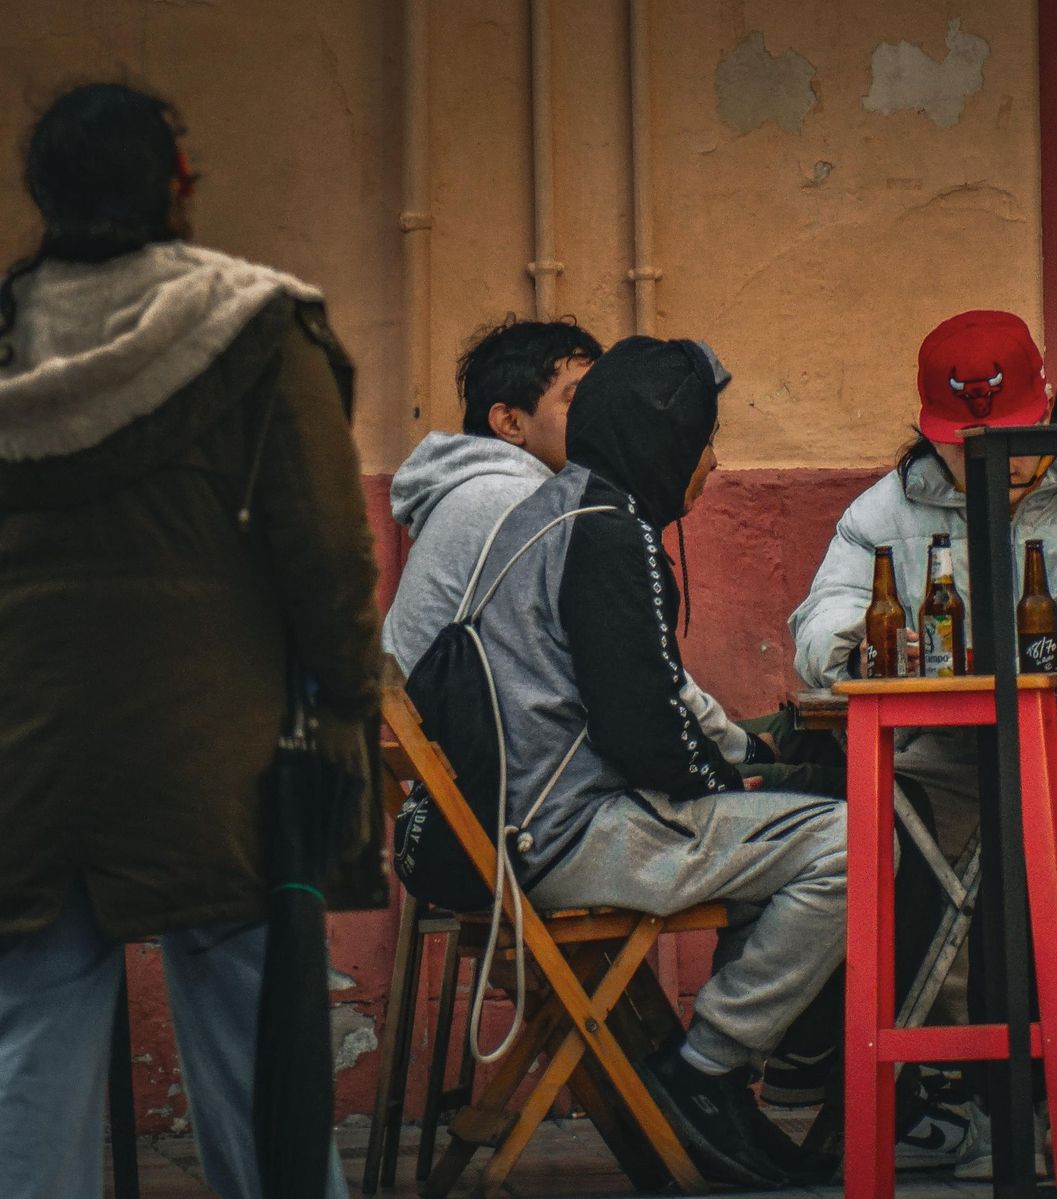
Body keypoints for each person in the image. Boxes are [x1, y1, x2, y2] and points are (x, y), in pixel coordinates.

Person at [0, 84, 380, 1199]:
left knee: (28, 1054)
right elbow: (327, 553)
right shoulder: (255, 328)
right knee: (263, 1056)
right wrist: (349, 703)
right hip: (219, 767)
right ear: (177, 186)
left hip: (25, 761)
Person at [782, 309, 1057, 1176]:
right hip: (944, 763)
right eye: (961, 444)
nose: (988, 465)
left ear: (1048, 408)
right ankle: (968, 1091)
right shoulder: (883, 511)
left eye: (1007, 441)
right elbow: (819, 626)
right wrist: (860, 642)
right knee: (897, 854)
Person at [428, 332, 844, 1187]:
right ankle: (707, 1073)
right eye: (703, 440)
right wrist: (736, 785)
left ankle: (715, 1083)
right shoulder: (611, 533)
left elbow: (642, 706)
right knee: (854, 843)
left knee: (784, 824)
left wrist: (737, 780)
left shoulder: (557, 509)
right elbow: (641, 727)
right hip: (567, 836)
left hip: (518, 828)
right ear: (664, 443)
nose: (715, 461)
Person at [383, 315, 770, 765]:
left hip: (481, 759)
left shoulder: (481, 491)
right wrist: (747, 749)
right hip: (526, 782)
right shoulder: (526, 504)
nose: (597, 413)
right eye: (576, 400)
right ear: (510, 422)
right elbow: (634, 675)